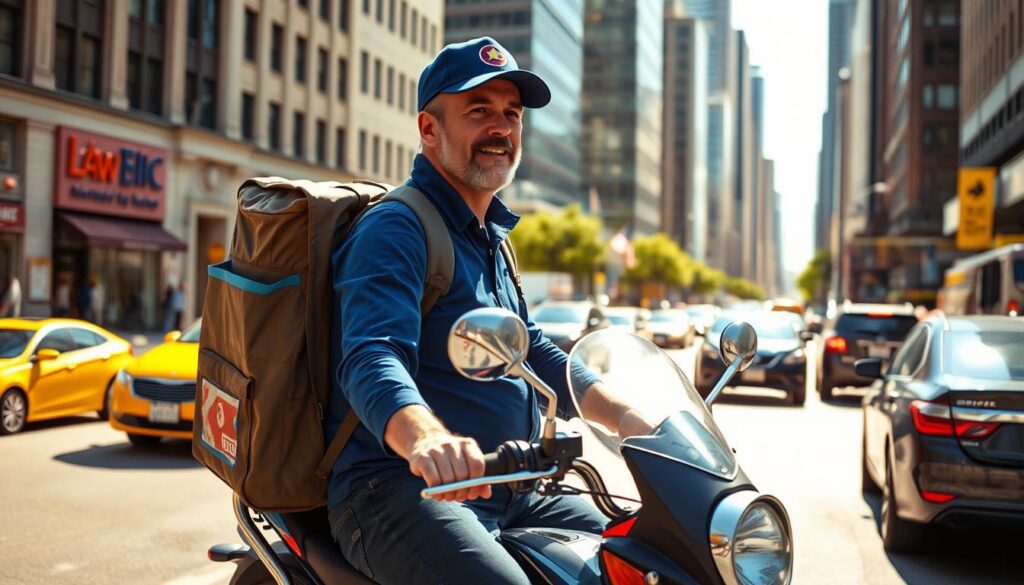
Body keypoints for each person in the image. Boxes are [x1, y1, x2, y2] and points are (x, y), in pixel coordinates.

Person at [325, 37, 650, 584]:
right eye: (479, 111)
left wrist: (634, 422)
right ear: (430, 129)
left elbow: (530, 350)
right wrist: (427, 438)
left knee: (643, 557)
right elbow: (372, 355)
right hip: (401, 487)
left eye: (511, 114)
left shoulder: (491, 237)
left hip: (512, 488)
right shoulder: (398, 226)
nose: (501, 128)